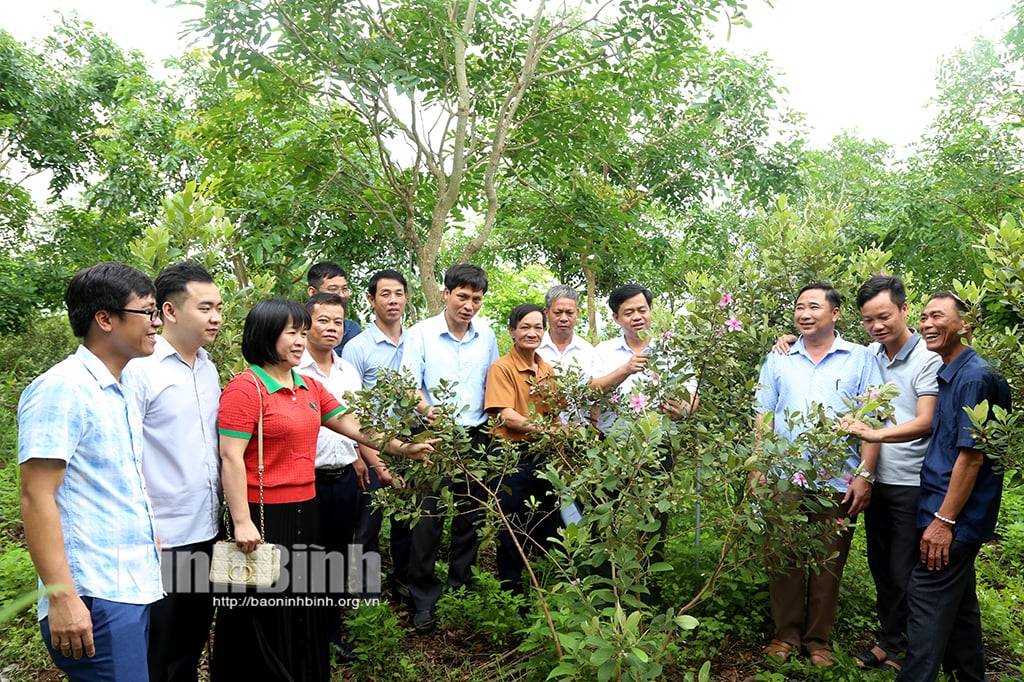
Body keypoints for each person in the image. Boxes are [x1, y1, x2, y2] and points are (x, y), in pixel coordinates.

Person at [211, 299, 434, 681]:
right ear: (265, 334)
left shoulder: (308, 386)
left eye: (301, 332)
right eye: (290, 333)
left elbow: (357, 426)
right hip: (262, 515)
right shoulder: (245, 389)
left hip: (306, 509)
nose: (300, 341)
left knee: (304, 603)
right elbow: (230, 458)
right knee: (259, 607)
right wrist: (242, 521)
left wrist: (404, 447)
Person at [776, 275, 942, 671]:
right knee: (882, 567)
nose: (877, 326)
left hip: (906, 480)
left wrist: (869, 444)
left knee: (904, 570)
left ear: (904, 311)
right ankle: (887, 644)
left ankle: (907, 652)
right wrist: (787, 340)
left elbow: (926, 421)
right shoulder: (870, 354)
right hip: (863, 478)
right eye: (868, 320)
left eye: (883, 316)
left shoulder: (924, 359)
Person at [18, 262, 164, 681]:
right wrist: (63, 597)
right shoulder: (61, 388)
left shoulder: (123, 387)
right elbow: (36, 496)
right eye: (148, 312)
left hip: (129, 585)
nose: (156, 323)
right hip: (95, 596)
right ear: (105, 319)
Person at [753, 282, 882, 667]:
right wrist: (758, 469)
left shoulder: (861, 358)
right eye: (799, 307)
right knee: (784, 558)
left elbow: (872, 418)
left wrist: (865, 475)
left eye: (813, 306)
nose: (804, 314)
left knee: (829, 563)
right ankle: (785, 635)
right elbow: (765, 416)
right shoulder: (779, 358)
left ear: (835, 313)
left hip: (838, 480)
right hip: (784, 476)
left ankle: (818, 641)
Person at [897, 292, 1011, 682]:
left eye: (938, 316)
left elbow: (972, 458)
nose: (927, 324)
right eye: (924, 317)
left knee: (925, 598)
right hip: (946, 509)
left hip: (955, 518)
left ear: (966, 324)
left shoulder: (975, 377)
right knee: (960, 605)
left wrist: (943, 521)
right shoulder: (951, 372)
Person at [122, 263, 224, 682]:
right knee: (158, 645)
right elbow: (127, 454)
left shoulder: (208, 366)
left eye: (219, 307)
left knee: (192, 637)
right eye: (205, 307)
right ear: (169, 311)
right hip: (162, 538)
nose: (216, 316)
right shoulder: (139, 370)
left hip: (206, 528)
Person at [400, 264, 499, 634]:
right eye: (462, 296)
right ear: (446, 293)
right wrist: (432, 415)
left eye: (476, 299)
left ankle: (460, 587)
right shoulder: (421, 334)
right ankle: (423, 598)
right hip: (434, 437)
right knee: (427, 519)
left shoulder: (487, 336)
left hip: (475, 437)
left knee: (469, 518)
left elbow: (493, 384)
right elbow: (408, 388)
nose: (469, 305)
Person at [296, 293, 368, 662]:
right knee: (303, 563)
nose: (332, 328)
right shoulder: (293, 370)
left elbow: (357, 427)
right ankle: (302, 638)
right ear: (306, 325)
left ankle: (330, 635)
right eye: (324, 320)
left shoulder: (348, 371)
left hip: (343, 479)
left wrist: (366, 459)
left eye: (338, 322)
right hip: (303, 483)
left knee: (336, 561)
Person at [342, 270, 411, 597]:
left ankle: (402, 583)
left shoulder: (416, 341)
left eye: (399, 293)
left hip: (409, 444)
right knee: (366, 526)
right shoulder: (357, 347)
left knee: (408, 521)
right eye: (385, 294)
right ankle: (362, 594)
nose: (393, 300)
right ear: (371, 300)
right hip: (370, 447)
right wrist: (360, 454)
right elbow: (347, 407)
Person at [484, 303, 561, 593]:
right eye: (525, 327)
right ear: (512, 331)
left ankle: (546, 588)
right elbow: (507, 415)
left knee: (546, 521)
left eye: (538, 327)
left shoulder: (547, 369)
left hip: (543, 455)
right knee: (512, 527)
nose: (532, 332)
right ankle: (512, 593)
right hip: (511, 457)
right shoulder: (501, 368)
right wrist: (548, 430)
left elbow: (556, 413)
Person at [589, 283, 695, 434]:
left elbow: (692, 390)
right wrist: (625, 370)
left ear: (650, 311)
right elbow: (591, 392)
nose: (637, 317)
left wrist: (685, 408)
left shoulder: (672, 348)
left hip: (663, 444)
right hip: (616, 445)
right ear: (616, 318)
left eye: (642, 310)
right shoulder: (603, 351)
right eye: (629, 313)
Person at [538, 284, 594, 374]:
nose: (564, 318)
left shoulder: (588, 352)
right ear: (546, 313)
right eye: (557, 312)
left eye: (569, 313)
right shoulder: (534, 348)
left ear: (577, 313)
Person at [306, 261, 362, 352]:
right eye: (333, 289)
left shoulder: (353, 332)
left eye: (344, 289)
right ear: (312, 292)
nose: (341, 295)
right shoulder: (293, 328)